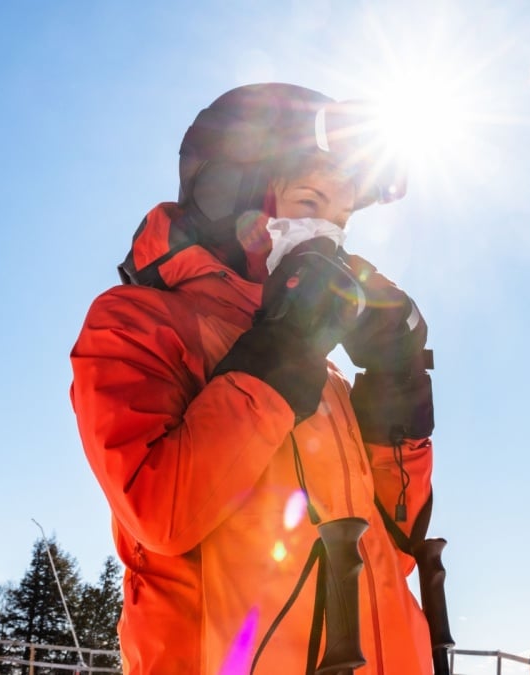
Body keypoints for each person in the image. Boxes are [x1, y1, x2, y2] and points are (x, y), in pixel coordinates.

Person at [69, 83, 444, 675]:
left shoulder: (321, 373)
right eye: (312, 203)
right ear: (233, 198)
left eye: (342, 219)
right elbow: (164, 514)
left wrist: (395, 387)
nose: (332, 237)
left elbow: (391, 552)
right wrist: (283, 347)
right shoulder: (133, 323)